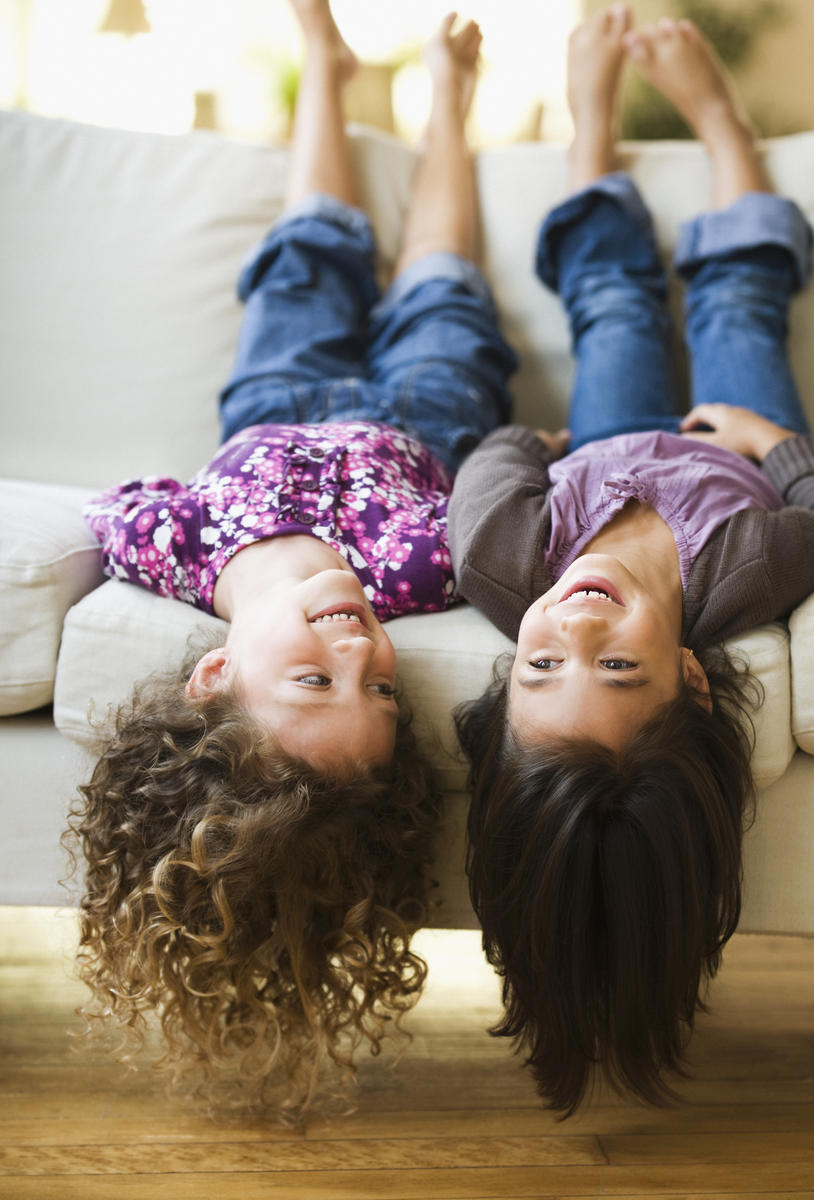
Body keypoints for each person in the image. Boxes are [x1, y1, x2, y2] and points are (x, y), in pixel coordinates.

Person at [68, 0, 516, 1118]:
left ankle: (324, 64)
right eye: (377, 686)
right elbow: (504, 504)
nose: (360, 647)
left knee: (309, 245)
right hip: (430, 409)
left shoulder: (171, 555)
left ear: (212, 671)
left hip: (269, 399)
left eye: (316, 679)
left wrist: (206, 557)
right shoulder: (415, 575)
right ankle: (449, 106)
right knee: (438, 276)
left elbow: (121, 504)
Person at [448, 6, 814, 1115]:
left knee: (612, 307)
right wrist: (773, 446)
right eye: (619, 671)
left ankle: (589, 129)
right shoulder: (739, 581)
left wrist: (532, 444)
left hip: (603, 442)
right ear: (691, 675)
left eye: (540, 672)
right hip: (721, 444)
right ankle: (722, 126)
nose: (574, 632)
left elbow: (481, 482)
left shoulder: (507, 569)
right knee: (740, 304)